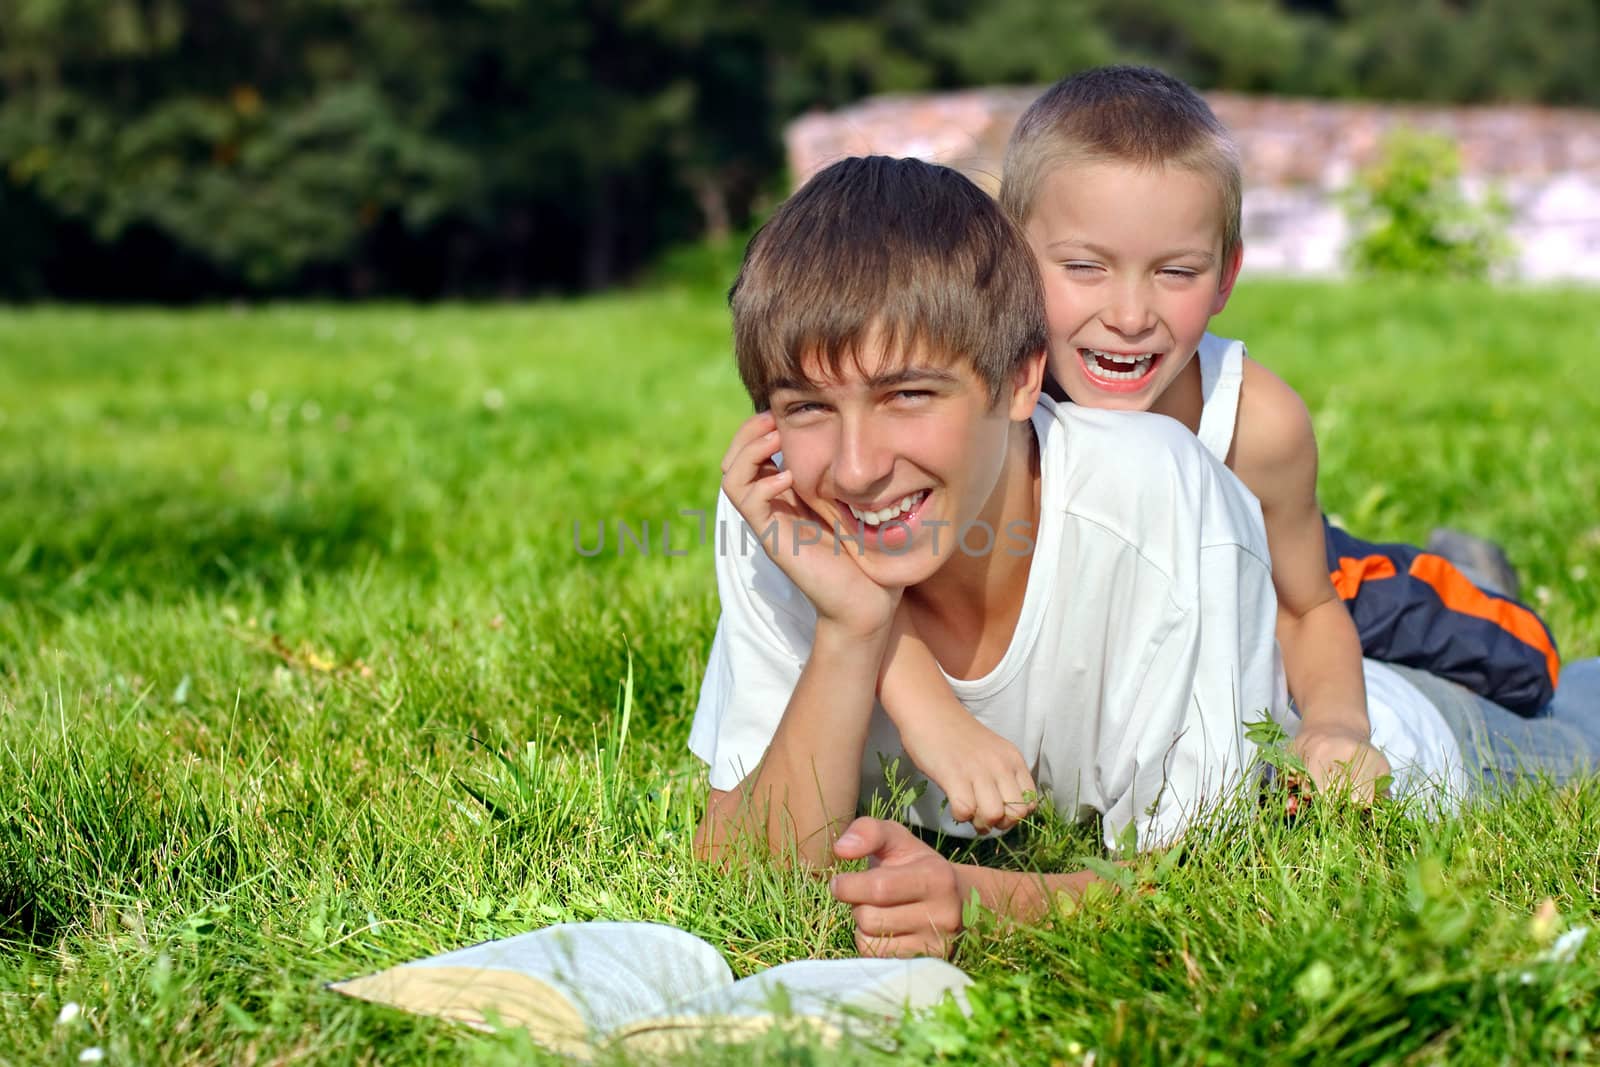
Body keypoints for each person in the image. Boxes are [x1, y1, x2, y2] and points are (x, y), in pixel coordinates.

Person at [875, 65, 1566, 833]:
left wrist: (1336, 725)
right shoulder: (978, 393)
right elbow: (866, 563)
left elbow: (1309, 610)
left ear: (1226, 275)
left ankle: (1472, 575)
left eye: (1176, 272)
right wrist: (932, 709)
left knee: (1515, 662)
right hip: (1134, 582)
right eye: (1083, 267)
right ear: (1009, 255)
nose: (1129, 314)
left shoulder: (1256, 423)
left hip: (1283, 571)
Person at [692, 154, 1293, 956]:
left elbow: (1204, 880)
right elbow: (748, 877)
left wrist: (982, 898)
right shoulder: (785, 515)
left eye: (908, 395)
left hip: (1359, 669)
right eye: (806, 407)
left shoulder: (1162, 500)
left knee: (1454, 659)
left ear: (1019, 378)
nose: (857, 467)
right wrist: (852, 630)